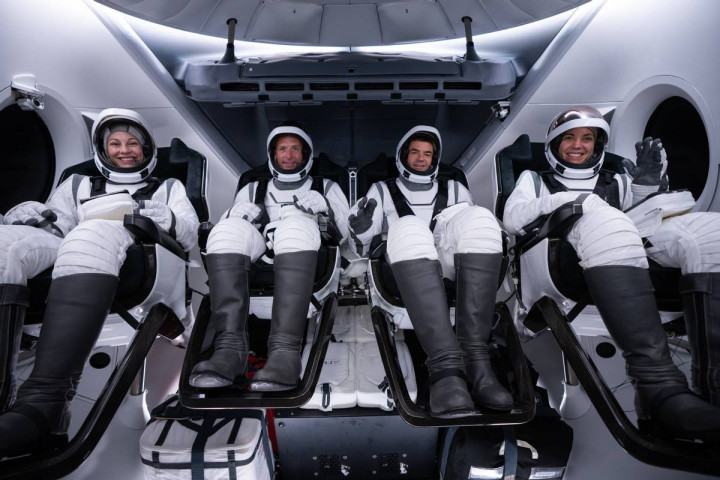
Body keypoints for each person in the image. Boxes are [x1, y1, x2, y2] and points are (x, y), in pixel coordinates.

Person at [503, 105, 720, 441]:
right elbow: (513, 218)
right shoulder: (535, 179)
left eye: (587, 138)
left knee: (708, 234)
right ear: (555, 143)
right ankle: (658, 391)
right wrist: (574, 202)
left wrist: (646, 187)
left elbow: (644, 218)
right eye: (569, 138)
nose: (578, 145)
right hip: (558, 264)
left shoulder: (617, 179)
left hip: (625, 253)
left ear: (597, 144)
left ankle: (714, 388)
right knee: (607, 220)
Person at [0, 108, 199, 456]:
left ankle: (46, 406)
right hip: (71, 242)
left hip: (139, 254)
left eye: (132, 143)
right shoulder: (77, 183)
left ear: (146, 147)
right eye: (115, 143)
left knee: (90, 234)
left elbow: (190, 235)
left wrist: (167, 217)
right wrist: (32, 215)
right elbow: (57, 226)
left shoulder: (168, 187)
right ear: (103, 149)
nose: (124, 150)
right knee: (6, 245)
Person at [348, 125, 512, 418]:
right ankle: (445, 370)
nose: (422, 159)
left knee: (480, 218)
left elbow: (466, 236)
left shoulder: (455, 189)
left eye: (427, 153)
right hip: (400, 266)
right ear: (403, 156)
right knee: (408, 225)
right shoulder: (381, 190)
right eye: (415, 152)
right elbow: (361, 248)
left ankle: (478, 363)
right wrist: (359, 230)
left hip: (447, 265)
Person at [189, 123, 349, 392]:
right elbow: (233, 227)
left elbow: (345, 236)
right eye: (282, 149)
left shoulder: (327, 186)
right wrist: (234, 215)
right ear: (273, 154)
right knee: (226, 230)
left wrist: (326, 209)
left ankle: (285, 354)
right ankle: (229, 349)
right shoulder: (252, 188)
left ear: (306, 154)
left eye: (295, 149)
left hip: (308, 252)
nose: (289, 155)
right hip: (261, 253)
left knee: (294, 226)